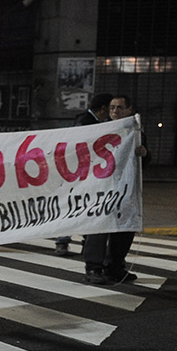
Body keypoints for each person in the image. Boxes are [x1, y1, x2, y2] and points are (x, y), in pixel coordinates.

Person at [82, 94, 147, 284]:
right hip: (101, 188)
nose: (115, 111)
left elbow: (145, 162)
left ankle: (115, 267)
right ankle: (93, 268)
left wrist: (145, 153)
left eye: (119, 108)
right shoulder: (97, 130)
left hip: (125, 189)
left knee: (125, 228)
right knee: (99, 227)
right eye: (111, 108)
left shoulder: (136, 132)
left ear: (129, 109)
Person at [55, 93, 113, 255]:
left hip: (90, 173)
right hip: (78, 174)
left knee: (88, 205)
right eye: (111, 107)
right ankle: (63, 241)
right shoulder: (85, 123)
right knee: (73, 206)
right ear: (103, 108)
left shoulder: (98, 122)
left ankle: (86, 242)